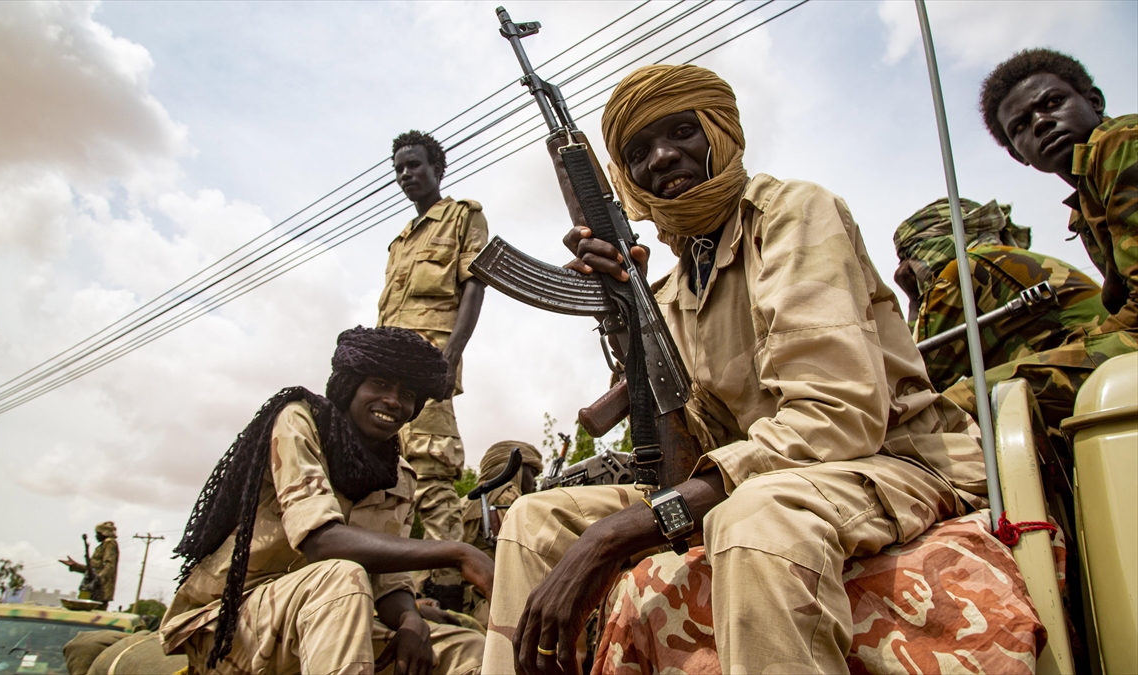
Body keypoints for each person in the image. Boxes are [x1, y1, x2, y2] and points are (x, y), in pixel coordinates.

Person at [482, 64, 987, 675]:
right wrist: (623, 306)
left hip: (886, 457)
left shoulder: (794, 213)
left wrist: (622, 531)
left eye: (680, 132)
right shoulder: (669, 291)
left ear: (718, 133)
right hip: (760, 474)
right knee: (536, 520)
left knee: (752, 517)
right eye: (638, 152)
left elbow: (836, 417)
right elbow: (682, 438)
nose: (662, 157)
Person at [160, 326, 491, 675]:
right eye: (379, 384)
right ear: (350, 386)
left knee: (467, 648)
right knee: (341, 576)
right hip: (231, 623)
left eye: (407, 393)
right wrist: (459, 553)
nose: (393, 400)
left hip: (332, 619)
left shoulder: (400, 476)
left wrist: (410, 619)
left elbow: (388, 584)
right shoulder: (300, 420)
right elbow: (322, 541)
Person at [952, 48, 1137, 423]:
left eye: (1053, 102)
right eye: (1020, 126)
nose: (1040, 123)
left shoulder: (1120, 141)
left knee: (964, 402)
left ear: (1094, 101)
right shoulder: (1084, 201)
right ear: (1019, 155)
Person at [379, 130, 489, 607]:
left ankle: (450, 584)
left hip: (429, 364)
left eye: (415, 165)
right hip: (385, 369)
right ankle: (397, 583)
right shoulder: (399, 241)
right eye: (399, 168)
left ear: (436, 169)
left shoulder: (463, 216)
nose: (406, 175)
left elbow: (475, 286)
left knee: (430, 470)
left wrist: (448, 359)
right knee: (385, 477)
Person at [893, 197, 1109, 428]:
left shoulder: (966, 270)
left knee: (932, 414)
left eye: (907, 256)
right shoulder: (1002, 258)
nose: (901, 270)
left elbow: (912, 379)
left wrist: (915, 302)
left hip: (1092, 369)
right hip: (1098, 367)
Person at [460, 441, 543, 626]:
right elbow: (533, 554)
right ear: (517, 470)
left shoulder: (468, 500)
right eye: (532, 473)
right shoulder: (508, 496)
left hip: (464, 599)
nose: (535, 481)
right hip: (488, 605)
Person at [59, 521, 119, 607]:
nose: (96, 536)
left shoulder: (109, 543)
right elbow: (93, 570)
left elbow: (110, 565)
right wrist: (75, 566)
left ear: (104, 533)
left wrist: (99, 579)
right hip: (93, 588)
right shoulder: (102, 546)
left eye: (98, 533)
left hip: (99, 591)